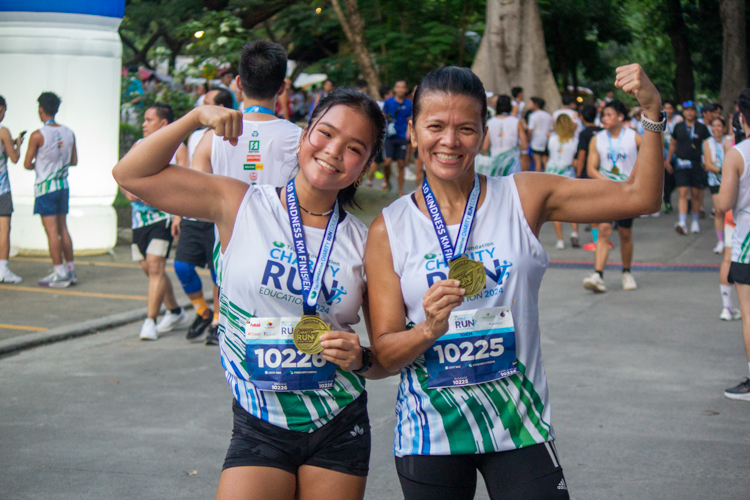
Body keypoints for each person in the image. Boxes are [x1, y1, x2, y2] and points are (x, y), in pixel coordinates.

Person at [366, 63, 664, 499]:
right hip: (431, 433)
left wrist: (652, 111)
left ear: (484, 134)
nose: (449, 141)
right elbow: (386, 353)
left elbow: (643, 196)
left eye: (465, 128)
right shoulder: (388, 229)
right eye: (435, 126)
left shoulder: (523, 196)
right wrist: (429, 329)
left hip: (519, 424)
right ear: (412, 131)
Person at [114, 87, 391, 500]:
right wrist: (194, 118)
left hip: (338, 417)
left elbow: (387, 356)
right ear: (303, 134)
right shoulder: (238, 203)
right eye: (326, 133)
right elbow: (131, 175)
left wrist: (364, 357)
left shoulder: (363, 242)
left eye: (354, 148)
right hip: (259, 419)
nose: (334, 151)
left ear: (365, 166)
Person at [192, 41, 303, 345]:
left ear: (238, 83)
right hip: (285, 262)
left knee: (238, 349)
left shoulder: (209, 139)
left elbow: (196, 203)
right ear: (281, 88)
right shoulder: (301, 139)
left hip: (230, 256)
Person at [123, 103, 190, 340]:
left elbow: (185, 185)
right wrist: (127, 192)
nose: (143, 123)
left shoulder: (177, 148)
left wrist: (178, 216)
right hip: (139, 219)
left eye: (149, 119)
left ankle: (149, 320)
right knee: (149, 268)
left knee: (155, 265)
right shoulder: (139, 146)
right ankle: (175, 310)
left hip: (163, 216)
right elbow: (121, 174)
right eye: (144, 119)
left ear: (163, 123)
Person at [175, 88, 234, 343]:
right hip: (192, 212)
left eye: (207, 103)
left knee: (216, 273)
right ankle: (202, 311)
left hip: (216, 216)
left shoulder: (236, 136)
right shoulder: (197, 135)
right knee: (182, 266)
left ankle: (219, 321)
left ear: (219, 107)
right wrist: (178, 212)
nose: (201, 105)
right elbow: (190, 173)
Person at [583, 100, 642, 293]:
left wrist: (634, 181)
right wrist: (608, 182)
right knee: (604, 230)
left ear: (621, 117)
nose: (604, 118)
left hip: (627, 192)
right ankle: (598, 275)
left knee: (625, 233)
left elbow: (648, 160)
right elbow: (591, 169)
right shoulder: (597, 139)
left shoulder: (634, 137)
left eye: (609, 115)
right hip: (606, 192)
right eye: (603, 115)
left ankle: (626, 272)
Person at [23, 92, 78, 288]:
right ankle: (70, 270)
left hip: (45, 188)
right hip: (63, 186)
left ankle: (59, 271)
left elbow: (27, 164)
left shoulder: (37, 135)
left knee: (52, 231)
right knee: (63, 228)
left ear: (40, 109)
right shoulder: (69, 132)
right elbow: (74, 161)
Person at [717, 87, 750, 402]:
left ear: (741, 116)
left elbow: (726, 202)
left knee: (749, 313)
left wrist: (716, 199)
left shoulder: (737, 153)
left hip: (747, 244)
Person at [666, 101, 710, 235]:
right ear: (683, 112)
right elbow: (673, 144)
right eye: (687, 110)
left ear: (696, 112)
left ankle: (695, 220)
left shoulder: (702, 128)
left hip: (697, 164)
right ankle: (682, 221)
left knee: (695, 194)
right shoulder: (678, 127)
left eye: (692, 110)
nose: (690, 112)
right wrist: (667, 161)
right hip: (681, 164)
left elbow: (708, 145)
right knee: (683, 192)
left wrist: (707, 161)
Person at [0, 96, 25, 283]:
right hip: (2, 189)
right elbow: (14, 158)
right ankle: (3, 270)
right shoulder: (3, 132)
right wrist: (18, 145)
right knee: (4, 230)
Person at [546, 114, 580, 249]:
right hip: (568, 175)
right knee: (572, 206)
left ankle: (560, 240)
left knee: (555, 209)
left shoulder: (551, 139)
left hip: (552, 175)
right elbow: (575, 161)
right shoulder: (575, 140)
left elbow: (546, 155)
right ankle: (575, 232)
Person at [574, 105, 603, 251]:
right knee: (603, 206)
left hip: (589, 173)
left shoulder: (584, 133)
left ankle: (598, 240)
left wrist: (578, 174)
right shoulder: (602, 132)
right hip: (603, 173)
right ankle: (607, 239)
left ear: (582, 118)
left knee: (592, 208)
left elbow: (582, 154)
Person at [479, 95, 529, 176]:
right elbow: (525, 145)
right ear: (510, 106)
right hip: (512, 163)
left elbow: (485, 147)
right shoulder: (516, 122)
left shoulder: (490, 122)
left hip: (495, 162)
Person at [703, 116, 731, 254]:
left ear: (724, 128)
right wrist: (722, 170)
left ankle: (731, 240)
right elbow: (707, 164)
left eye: (719, 125)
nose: (716, 128)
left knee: (730, 211)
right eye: (713, 126)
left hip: (730, 180)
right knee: (719, 210)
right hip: (715, 180)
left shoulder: (730, 141)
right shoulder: (707, 143)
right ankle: (721, 241)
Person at [383, 80, 413, 196]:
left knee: (401, 163)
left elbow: (410, 120)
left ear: (406, 90)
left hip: (402, 136)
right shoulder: (388, 102)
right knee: (387, 162)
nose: (400, 90)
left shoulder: (409, 104)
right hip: (390, 136)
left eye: (403, 87)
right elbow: (383, 116)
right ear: (394, 89)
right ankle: (386, 182)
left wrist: (409, 134)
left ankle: (401, 189)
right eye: (398, 87)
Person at [366, 85, 393, 188]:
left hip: (376, 137)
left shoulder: (375, 104)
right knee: (386, 162)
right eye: (391, 94)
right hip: (384, 138)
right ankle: (385, 183)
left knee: (374, 161)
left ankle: (369, 182)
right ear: (386, 95)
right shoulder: (386, 105)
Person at [661, 99, 683, 214]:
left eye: (670, 108)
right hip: (664, 155)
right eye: (666, 108)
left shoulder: (678, 120)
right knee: (667, 180)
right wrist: (665, 161)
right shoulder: (660, 120)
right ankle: (667, 201)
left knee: (677, 179)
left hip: (677, 154)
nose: (668, 110)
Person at [527, 97, 553, 172]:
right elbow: (551, 129)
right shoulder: (548, 115)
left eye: (530, 103)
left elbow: (530, 130)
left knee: (537, 161)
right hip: (546, 140)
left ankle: (537, 179)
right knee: (545, 161)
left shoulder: (533, 116)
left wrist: (529, 139)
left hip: (536, 141)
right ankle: (549, 174)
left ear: (536, 104)